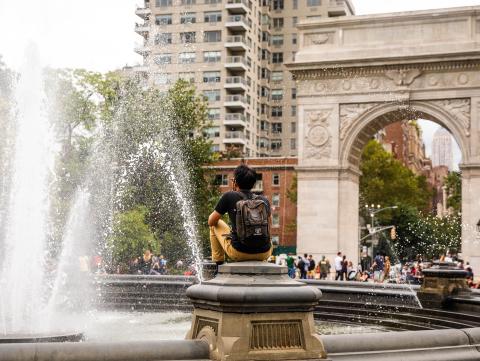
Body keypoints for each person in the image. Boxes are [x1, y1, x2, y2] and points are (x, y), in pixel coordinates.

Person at [207, 164, 272, 265]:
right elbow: (269, 226)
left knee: (214, 224)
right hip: (265, 252)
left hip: (239, 252)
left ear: (235, 182)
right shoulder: (263, 200)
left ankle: (217, 263)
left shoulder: (229, 196)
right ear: (253, 184)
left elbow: (211, 221)